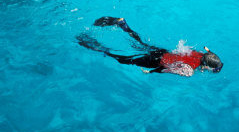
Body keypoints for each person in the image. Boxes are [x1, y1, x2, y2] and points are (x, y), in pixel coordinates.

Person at [77, 17, 223, 77]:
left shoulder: (200, 53)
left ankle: (124, 25)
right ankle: (94, 46)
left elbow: (199, 52)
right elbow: (168, 69)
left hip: (162, 52)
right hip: (155, 61)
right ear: (207, 65)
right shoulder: (190, 71)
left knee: (140, 44)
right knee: (122, 59)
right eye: (213, 68)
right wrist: (151, 72)